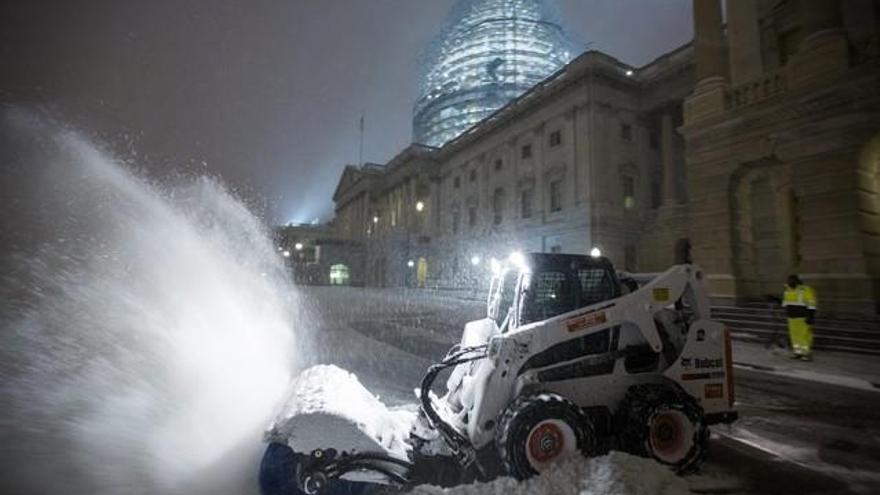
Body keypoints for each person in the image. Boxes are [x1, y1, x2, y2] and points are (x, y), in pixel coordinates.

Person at [782, 275, 817, 361]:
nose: (790, 282)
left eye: (792, 280)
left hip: (802, 317)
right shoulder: (787, 290)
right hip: (791, 318)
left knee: (804, 336)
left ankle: (806, 354)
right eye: (789, 280)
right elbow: (785, 303)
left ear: (797, 281)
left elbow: (812, 303)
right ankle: (797, 352)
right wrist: (774, 299)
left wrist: (811, 316)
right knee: (794, 336)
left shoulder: (804, 290)